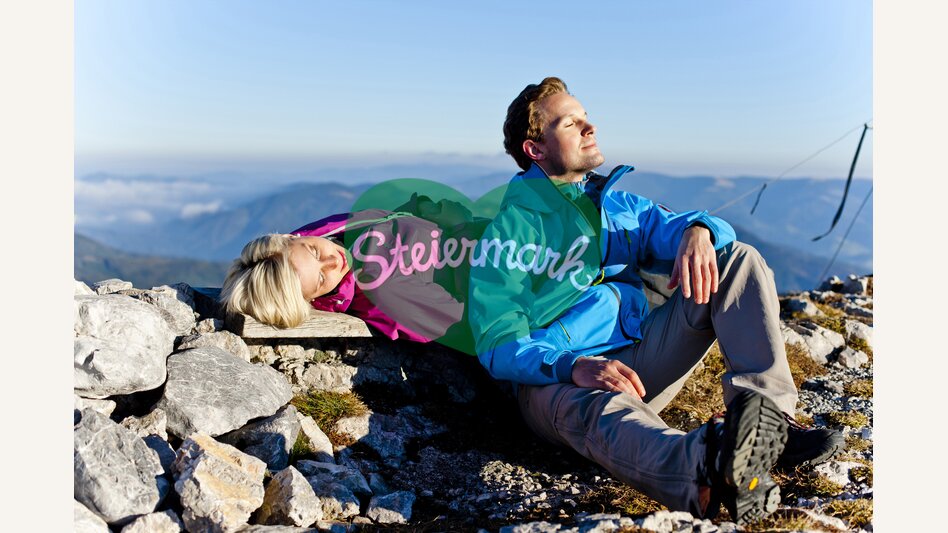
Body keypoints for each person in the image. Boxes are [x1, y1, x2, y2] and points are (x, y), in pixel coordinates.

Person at [466, 77, 844, 523]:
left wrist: (698, 232)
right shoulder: (509, 233)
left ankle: (767, 423)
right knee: (598, 406)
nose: (590, 128)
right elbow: (496, 342)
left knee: (737, 260)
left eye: (586, 118)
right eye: (572, 123)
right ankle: (706, 474)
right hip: (553, 383)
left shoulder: (615, 205)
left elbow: (697, 228)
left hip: (638, 359)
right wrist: (574, 366)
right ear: (536, 149)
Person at [220, 198, 487, 354]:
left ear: (293, 238)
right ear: (314, 299)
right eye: (322, 279)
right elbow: (466, 323)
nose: (332, 261)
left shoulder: (336, 232)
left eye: (314, 252)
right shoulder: (383, 291)